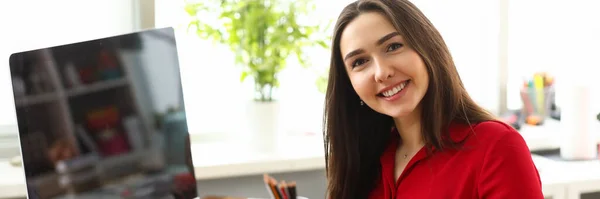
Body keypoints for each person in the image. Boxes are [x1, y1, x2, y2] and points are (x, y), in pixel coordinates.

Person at [322, 0, 544, 198]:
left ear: (427, 47)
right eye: (359, 62)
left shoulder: (496, 147)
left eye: (393, 46)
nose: (381, 72)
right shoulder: (361, 160)